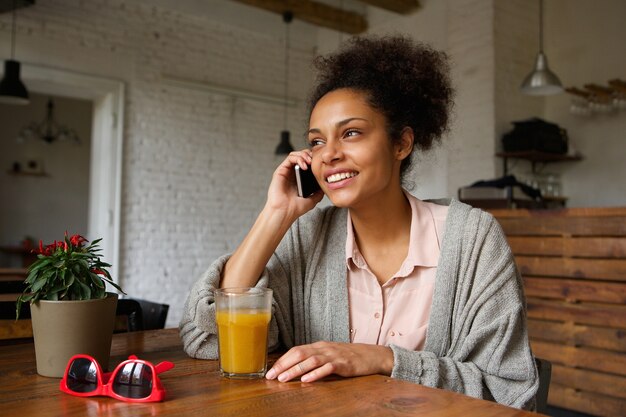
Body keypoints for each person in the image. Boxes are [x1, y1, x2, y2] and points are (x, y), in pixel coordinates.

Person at [180, 35, 538, 410]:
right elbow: (206, 339)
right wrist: (276, 215)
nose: (329, 154)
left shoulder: (472, 240)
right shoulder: (307, 235)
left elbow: (510, 391)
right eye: (316, 142)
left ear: (401, 143)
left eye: (351, 133)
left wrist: (383, 359)